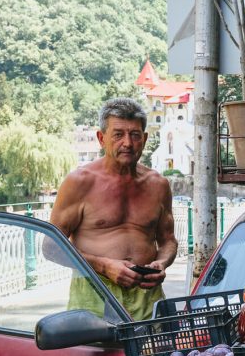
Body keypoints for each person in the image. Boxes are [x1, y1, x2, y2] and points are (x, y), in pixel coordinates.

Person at [50, 98, 177, 320]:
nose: (127, 143)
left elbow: (167, 241)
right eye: (118, 134)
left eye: (135, 135)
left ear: (145, 139)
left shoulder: (158, 185)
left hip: (147, 298)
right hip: (94, 295)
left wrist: (162, 263)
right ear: (102, 138)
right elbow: (51, 247)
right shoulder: (80, 182)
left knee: (155, 355)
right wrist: (103, 266)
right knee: (96, 355)